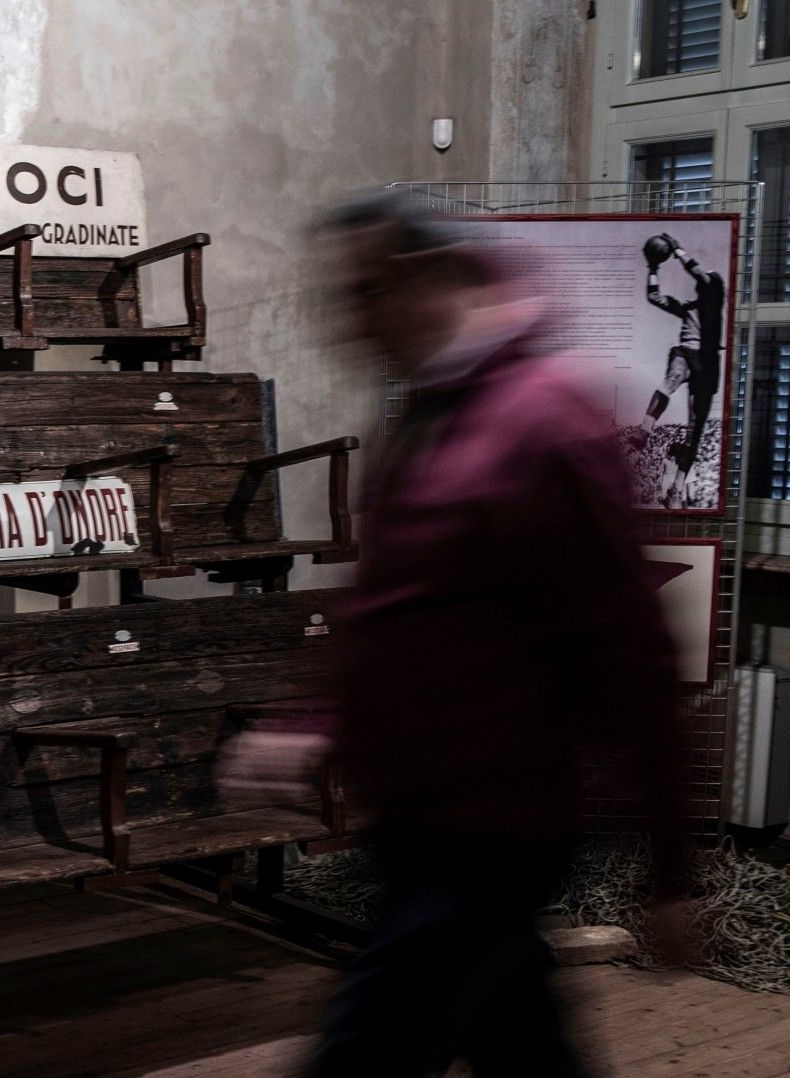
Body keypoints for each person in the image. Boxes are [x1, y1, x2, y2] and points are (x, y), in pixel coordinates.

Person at [307, 192, 693, 1077]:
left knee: (361, 1054)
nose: (351, 321)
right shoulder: (421, 414)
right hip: (414, 823)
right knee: (526, 1048)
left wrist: (671, 867)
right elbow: (388, 610)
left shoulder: (551, 419)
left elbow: (639, 649)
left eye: (367, 293)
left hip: (493, 835)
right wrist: (319, 726)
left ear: (433, 277)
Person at [634, 232, 726, 509]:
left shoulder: (714, 298)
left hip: (708, 361)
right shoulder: (689, 309)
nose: (703, 277)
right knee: (672, 378)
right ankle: (645, 428)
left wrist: (678, 250)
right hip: (688, 351)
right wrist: (653, 268)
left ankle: (676, 489)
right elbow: (654, 297)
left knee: (695, 429)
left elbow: (701, 275)